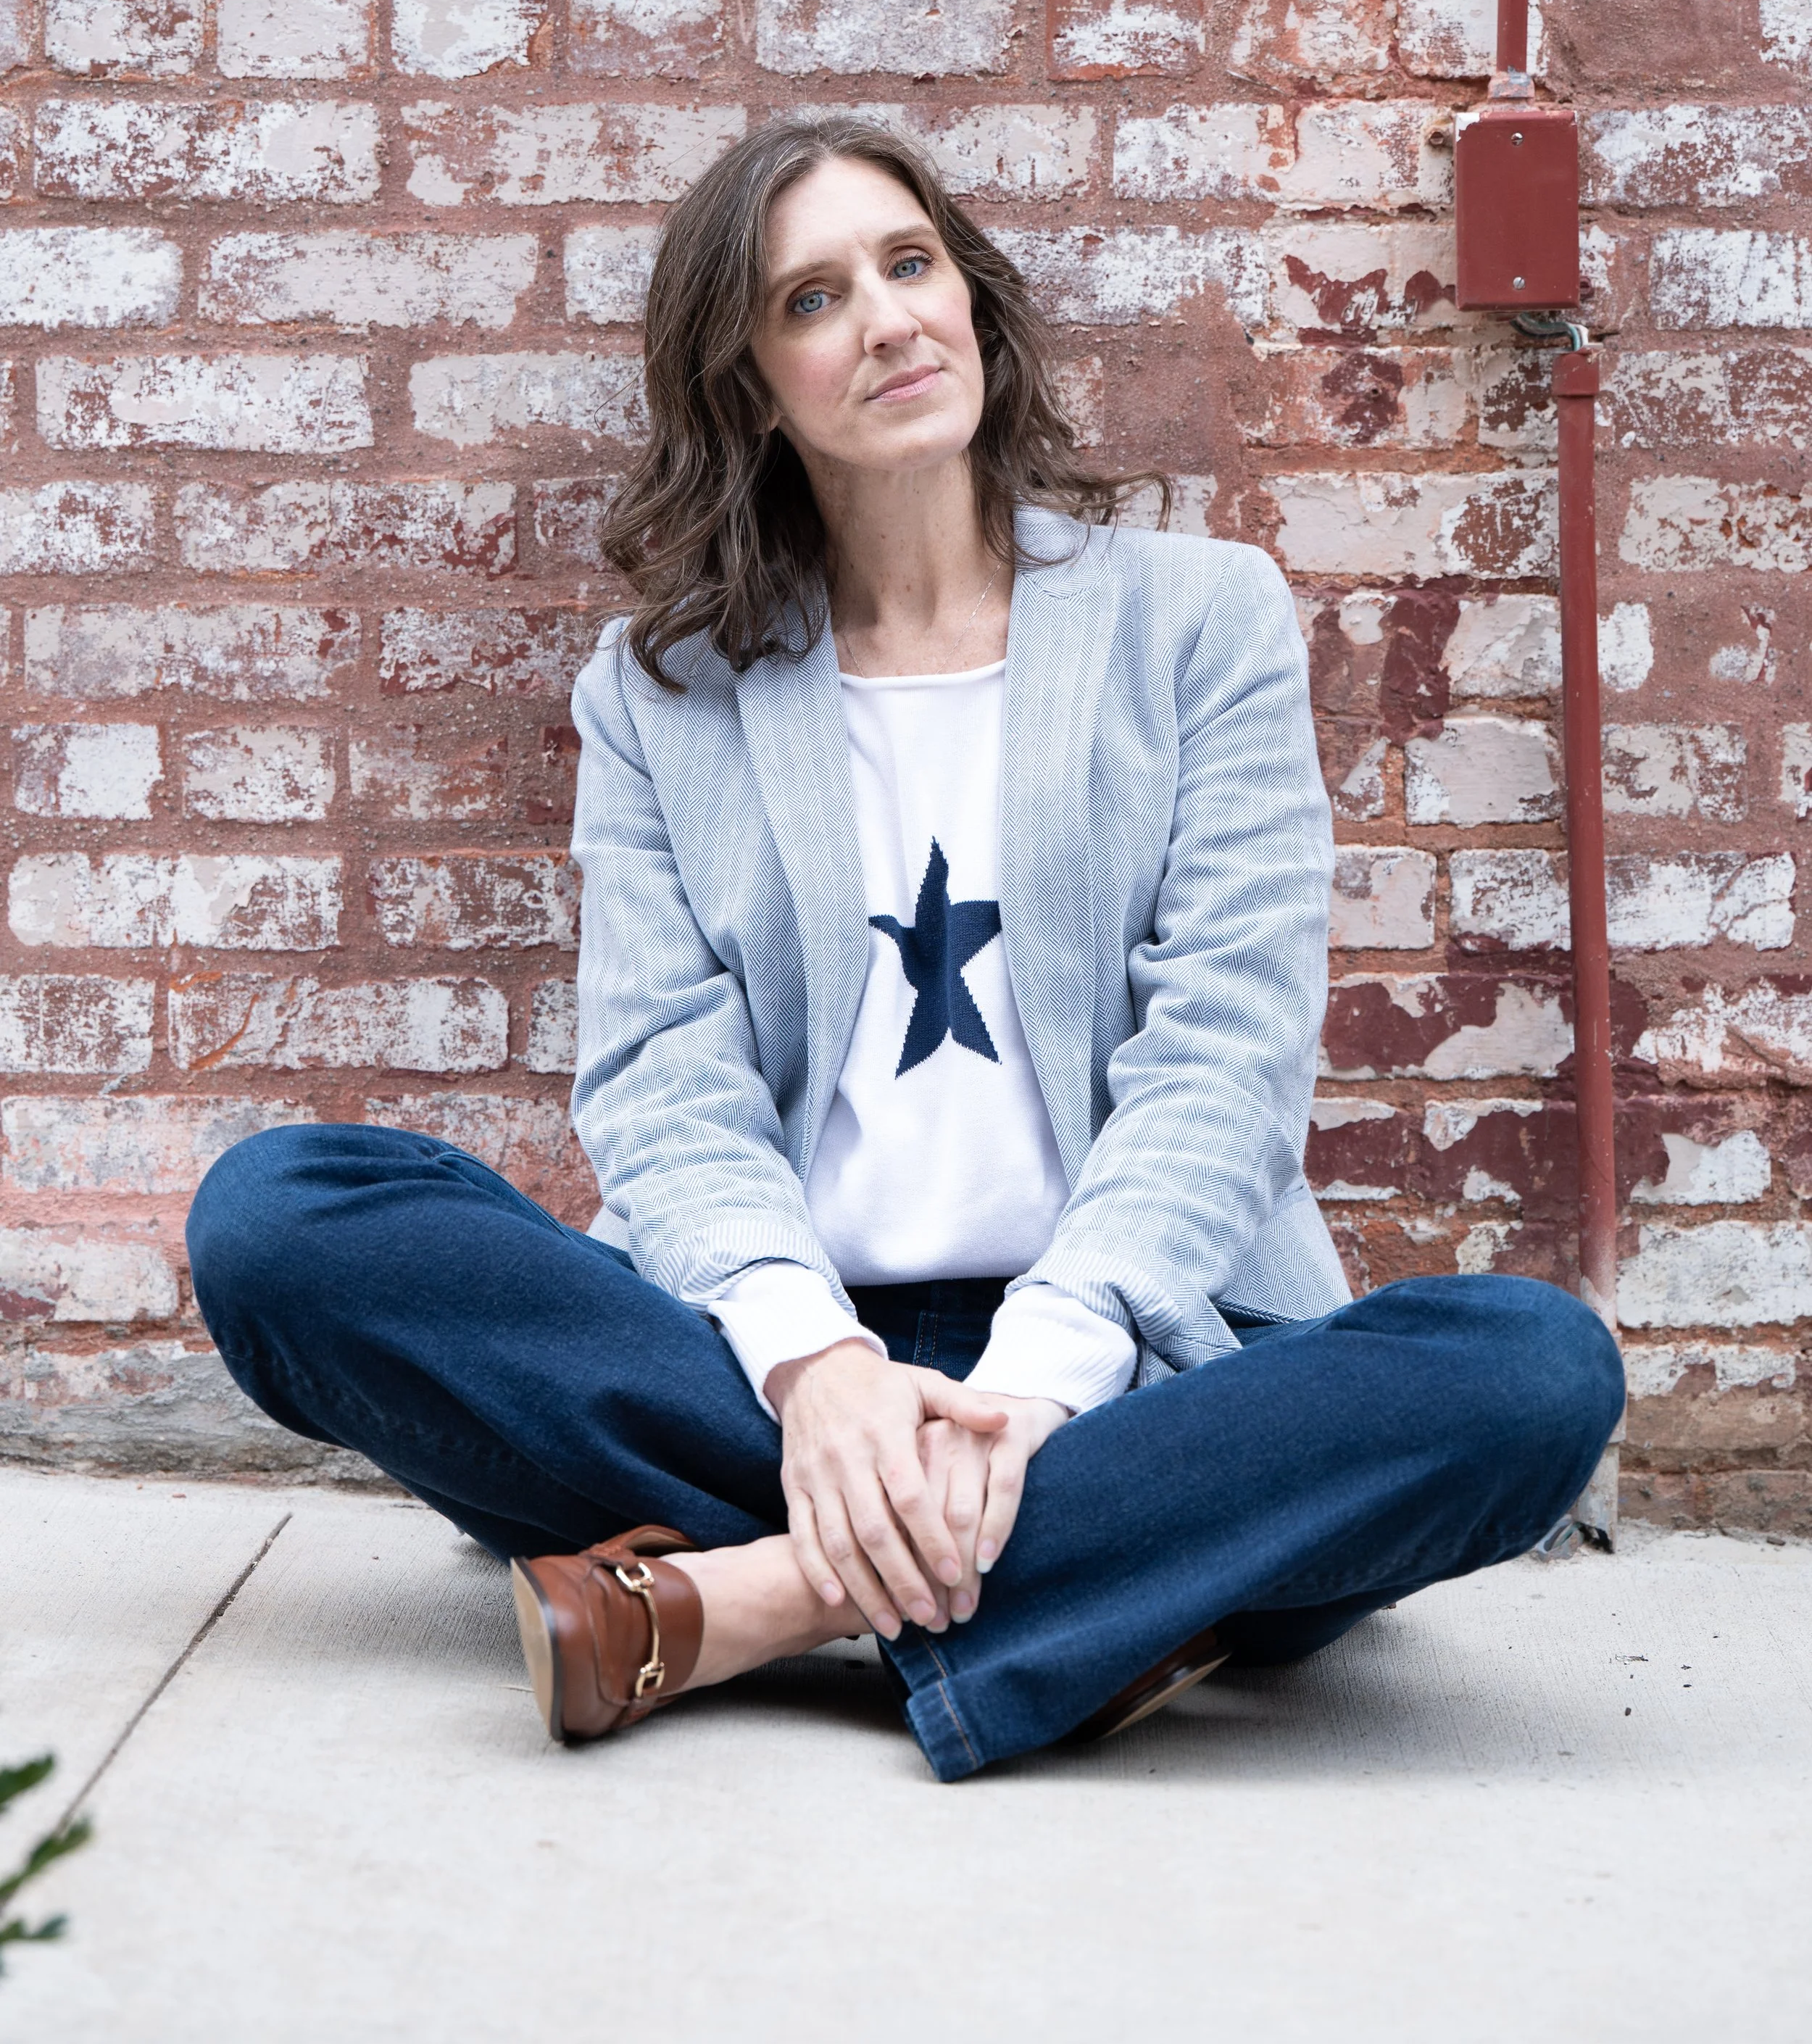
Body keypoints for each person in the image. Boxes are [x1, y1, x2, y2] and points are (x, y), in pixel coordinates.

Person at [186, 116, 1624, 1784]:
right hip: (753, 1366)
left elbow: (1225, 1055)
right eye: (810, 299)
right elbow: (660, 1079)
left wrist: (1032, 1385)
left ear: (971, 300)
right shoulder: (665, 690)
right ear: (745, 387)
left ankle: (762, 1596)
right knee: (282, 1219)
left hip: (1136, 1363)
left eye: (907, 263)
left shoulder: (1196, 619)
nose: (884, 320)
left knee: (1529, 1373)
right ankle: (1121, 1579)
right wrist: (818, 1373)